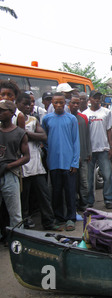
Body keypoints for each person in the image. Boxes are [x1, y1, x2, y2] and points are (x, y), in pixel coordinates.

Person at [16, 93, 58, 230]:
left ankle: (48, 221)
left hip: (36, 164)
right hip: (21, 165)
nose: (28, 106)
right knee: (24, 197)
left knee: (44, 194)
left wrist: (25, 133)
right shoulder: (12, 121)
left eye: (30, 104)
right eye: (25, 104)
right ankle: (25, 222)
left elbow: (43, 136)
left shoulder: (33, 120)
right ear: (17, 104)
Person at [42, 93, 80, 231]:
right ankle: (59, 217)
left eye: (61, 103)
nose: (58, 105)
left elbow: (76, 141)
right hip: (53, 162)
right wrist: (49, 150)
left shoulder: (71, 119)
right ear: (52, 103)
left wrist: (75, 162)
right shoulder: (46, 119)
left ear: (65, 103)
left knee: (70, 192)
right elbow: (44, 139)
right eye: (56, 103)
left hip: (69, 163)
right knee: (56, 192)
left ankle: (71, 218)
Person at [0, 100, 30, 232]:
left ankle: (17, 240)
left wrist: (9, 166)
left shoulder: (19, 133)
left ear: (11, 113)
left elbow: (26, 156)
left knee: (15, 213)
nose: (0, 113)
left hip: (10, 174)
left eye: (2, 111)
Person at [83, 90, 112, 209]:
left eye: (99, 98)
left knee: (107, 175)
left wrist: (111, 147)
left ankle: (108, 199)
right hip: (90, 151)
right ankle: (90, 201)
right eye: (95, 97)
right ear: (89, 99)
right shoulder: (84, 114)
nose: (97, 100)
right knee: (89, 178)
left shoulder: (106, 112)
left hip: (104, 149)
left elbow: (109, 130)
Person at [69, 94, 92, 212]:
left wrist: (89, 152)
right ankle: (73, 204)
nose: (76, 105)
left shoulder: (83, 118)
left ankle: (84, 204)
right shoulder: (66, 118)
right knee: (72, 183)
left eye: (77, 103)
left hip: (83, 156)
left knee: (84, 182)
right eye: (73, 103)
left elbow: (88, 136)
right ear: (69, 103)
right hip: (69, 159)